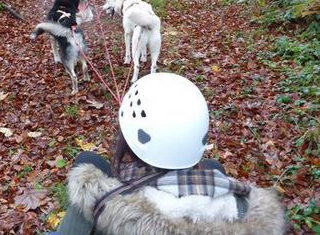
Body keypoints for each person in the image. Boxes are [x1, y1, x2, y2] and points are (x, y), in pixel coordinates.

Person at [50, 73, 285, 235]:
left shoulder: (101, 202)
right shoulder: (250, 209)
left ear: (134, 139)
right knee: (214, 167)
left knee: (88, 162)